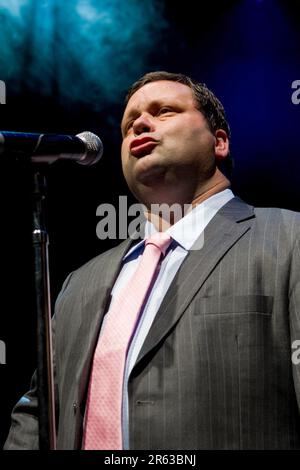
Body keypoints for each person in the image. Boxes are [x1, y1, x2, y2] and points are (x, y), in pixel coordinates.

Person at [4, 71, 300, 450]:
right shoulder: (79, 283)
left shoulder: (288, 239)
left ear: (220, 141)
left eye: (164, 111)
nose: (140, 124)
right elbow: (37, 416)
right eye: (129, 124)